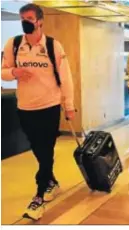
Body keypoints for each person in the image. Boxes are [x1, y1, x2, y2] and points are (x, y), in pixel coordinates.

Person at [1, 3, 75, 220]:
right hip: (25, 107)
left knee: (46, 149)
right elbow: (3, 71)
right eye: (22, 17)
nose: (25, 21)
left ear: (41, 21)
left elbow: (66, 79)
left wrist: (69, 106)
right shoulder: (13, 44)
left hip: (49, 106)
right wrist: (13, 72)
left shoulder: (53, 46)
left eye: (30, 17)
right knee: (38, 149)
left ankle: (39, 195)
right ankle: (51, 180)